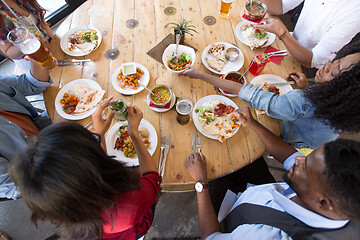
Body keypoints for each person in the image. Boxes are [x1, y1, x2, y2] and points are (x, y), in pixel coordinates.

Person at [185, 106, 360, 240]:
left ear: (321, 202)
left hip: (234, 217)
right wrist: (253, 124)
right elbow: (290, 155)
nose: (299, 159)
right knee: (236, 153)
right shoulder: (331, 193)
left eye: (305, 166)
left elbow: (211, 237)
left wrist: (201, 183)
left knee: (216, 172)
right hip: (258, 191)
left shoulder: (267, 235)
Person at [8, 101, 162, 240]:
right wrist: (134, 133)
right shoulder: (127, 206)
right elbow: (152, 177)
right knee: (151, 201)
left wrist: (99, 132)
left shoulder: (64, 206)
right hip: (132, 227)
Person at [181, 41, 360, 149]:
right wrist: (306, 87)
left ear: (342, 90)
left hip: (294, 146)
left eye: (334, 73)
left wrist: (202, 75)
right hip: (311, 133)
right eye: (337, 60)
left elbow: (243, 90)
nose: (327, 66)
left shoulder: (300, 101)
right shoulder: (341, 103)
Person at [255, 0, 360, 69]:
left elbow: (313, 60)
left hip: (307, 66)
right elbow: (280, 7)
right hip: (287, 42)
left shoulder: (356, 13)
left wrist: (282, 33)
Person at [0, 58, 51, 199]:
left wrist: (37, 56)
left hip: (46, 130)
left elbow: (31, 84)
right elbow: (16, 187)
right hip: (47, 171)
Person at [0, 0, 53, 72]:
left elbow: (41, 20)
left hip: (48, 47)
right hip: (29, 61)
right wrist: (24, 43)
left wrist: (53, 41)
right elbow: (8, 51)